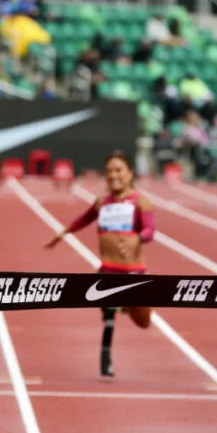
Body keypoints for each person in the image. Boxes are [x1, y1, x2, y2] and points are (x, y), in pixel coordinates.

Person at [45, 151, 155, 378]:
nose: (113, 175)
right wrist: (63, 233)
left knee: (144, 323)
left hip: (133, 272)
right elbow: (83, 219)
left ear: (129, 173)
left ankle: (124, 305)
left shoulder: (140, 201)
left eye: (119, 170)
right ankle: (106, 359)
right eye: (109, 171)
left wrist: (137, 238)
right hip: (108, 268)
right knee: (107, 316)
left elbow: (150, 231)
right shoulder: (101, 202)